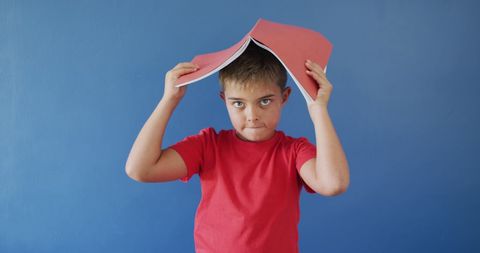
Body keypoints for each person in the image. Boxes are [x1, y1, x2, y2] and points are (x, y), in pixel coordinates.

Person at [125, 43, 350, 253]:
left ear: (285, 97)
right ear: (224, 100)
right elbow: (140, 170)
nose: (252, 116)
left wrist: (318, 109)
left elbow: (334, 184)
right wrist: (169, 100)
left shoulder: (294, 151)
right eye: (238, 103)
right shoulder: (208, 145)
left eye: (264, 101)